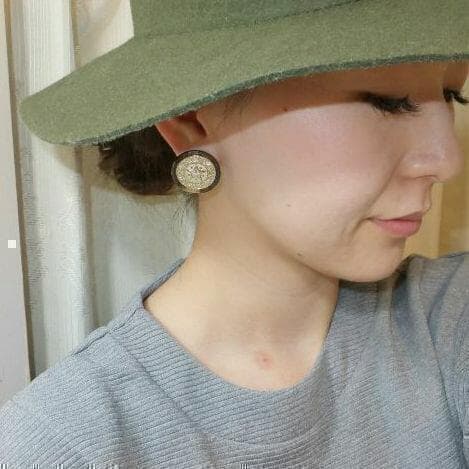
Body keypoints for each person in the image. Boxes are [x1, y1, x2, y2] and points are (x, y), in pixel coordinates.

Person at [2, 1, 469, 468]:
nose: (447, 160)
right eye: (387, 102)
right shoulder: (65, 445)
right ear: (191, 122)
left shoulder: (448, 320)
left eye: (452, 95)